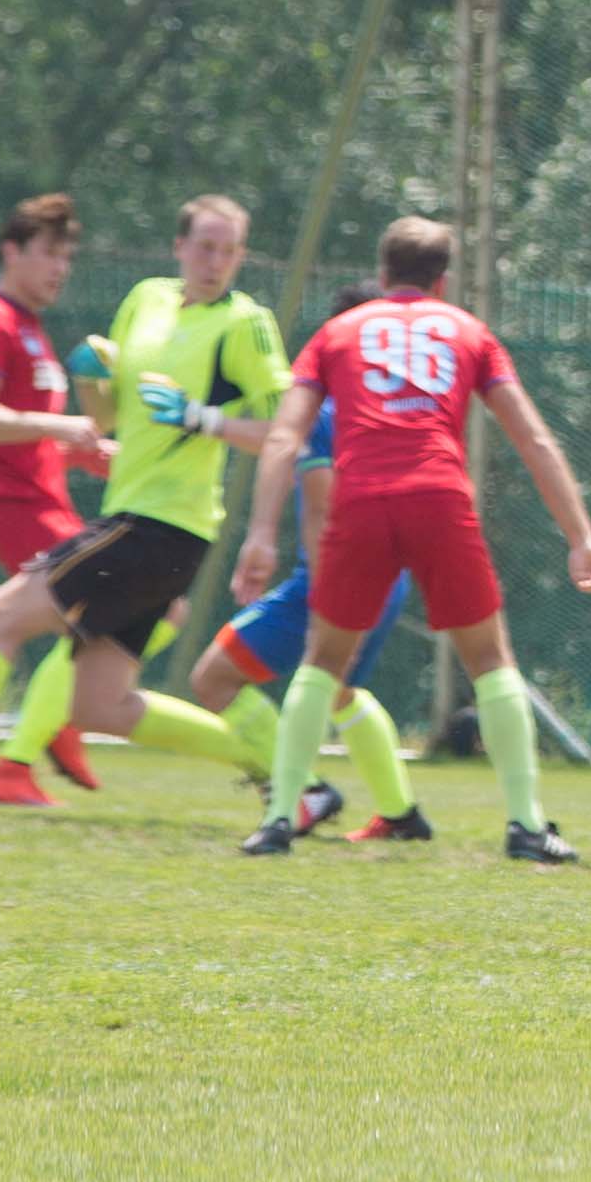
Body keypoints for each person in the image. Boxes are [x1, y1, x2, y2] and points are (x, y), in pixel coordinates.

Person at [0, 195, 288, 811]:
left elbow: (282, 432)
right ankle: (285, 776)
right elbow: (114, 414)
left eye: (229, 251)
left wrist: (203, 418)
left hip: (162, 523)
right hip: (133, 514)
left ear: (242, 256)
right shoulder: (146, 299)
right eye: (205, 247)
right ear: (179, 247)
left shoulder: (244, 323)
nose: (215, 262)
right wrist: (94, 390)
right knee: (97, 705)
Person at [234, 216, 591, 861]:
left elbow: (283, 437)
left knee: (322, 662)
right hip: (438, 496)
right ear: (443, 281)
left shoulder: (336, 334)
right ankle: (526, 826)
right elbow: (532, 437)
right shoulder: (469, 331)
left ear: (382, 274)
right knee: (489, 660)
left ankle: (276, 821)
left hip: (360, 501)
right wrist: (581, 535)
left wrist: (262, 534)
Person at [184, 280, 424, 841]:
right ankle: (400, 814)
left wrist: (329, 600)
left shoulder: (329, 411)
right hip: (387, 576)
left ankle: (304, 794)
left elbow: (320, 506)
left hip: (333, 577)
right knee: (339, 693)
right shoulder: (397, 410)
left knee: (214, 678)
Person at [0, 194, 129, 807]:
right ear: (12, 252)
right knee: (130, 607)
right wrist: (61, 428)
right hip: (14, 505)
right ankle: (37, 743)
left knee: (122, 612)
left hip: (43, 499)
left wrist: (79, 453)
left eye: (68, 256)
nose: (61, 268)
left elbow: (28, 441)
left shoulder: (30, 327)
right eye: (49, 254)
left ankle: (41, 741)